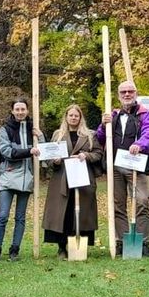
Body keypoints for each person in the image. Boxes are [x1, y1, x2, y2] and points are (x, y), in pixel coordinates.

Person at [95, 80, 149, 255]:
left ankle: (143, 242)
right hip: (115, 166)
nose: (127, 94)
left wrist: (140, 144)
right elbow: (100, 138)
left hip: (135, 165)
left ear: (135, 93)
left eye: (130, 91)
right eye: (123, 92)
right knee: (117, 204)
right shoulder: (113, 115)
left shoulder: (145, 114)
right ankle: (121, 241)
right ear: (119, 96)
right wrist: (102, 124)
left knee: (142, 201)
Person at [42, 104, 103, 256]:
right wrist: (54, 161)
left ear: (80, 117)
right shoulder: (58, 134)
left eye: (76, 115)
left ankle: (79, 246)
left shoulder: (90, 135)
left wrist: (86, 156)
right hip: (61, 178)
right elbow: (49, 156)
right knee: (63, 212)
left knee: (82, 212)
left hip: (83, 177)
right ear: (66, 117)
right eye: (71, 115)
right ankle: (61, 247)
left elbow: (98, 153)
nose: (74, 118)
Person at [0, 98, 42, 260]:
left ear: (27, 111)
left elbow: (43, 151)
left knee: (20, 217)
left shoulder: (33, 130)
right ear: (12, 111)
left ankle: (15, 249)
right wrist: (29, 151)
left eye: (23, 109)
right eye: (17, 109)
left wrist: (40, 137)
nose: (20, 112)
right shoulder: (5, 129)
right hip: (8, 176)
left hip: (26, 178)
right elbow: (6, 151)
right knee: (3, 215)